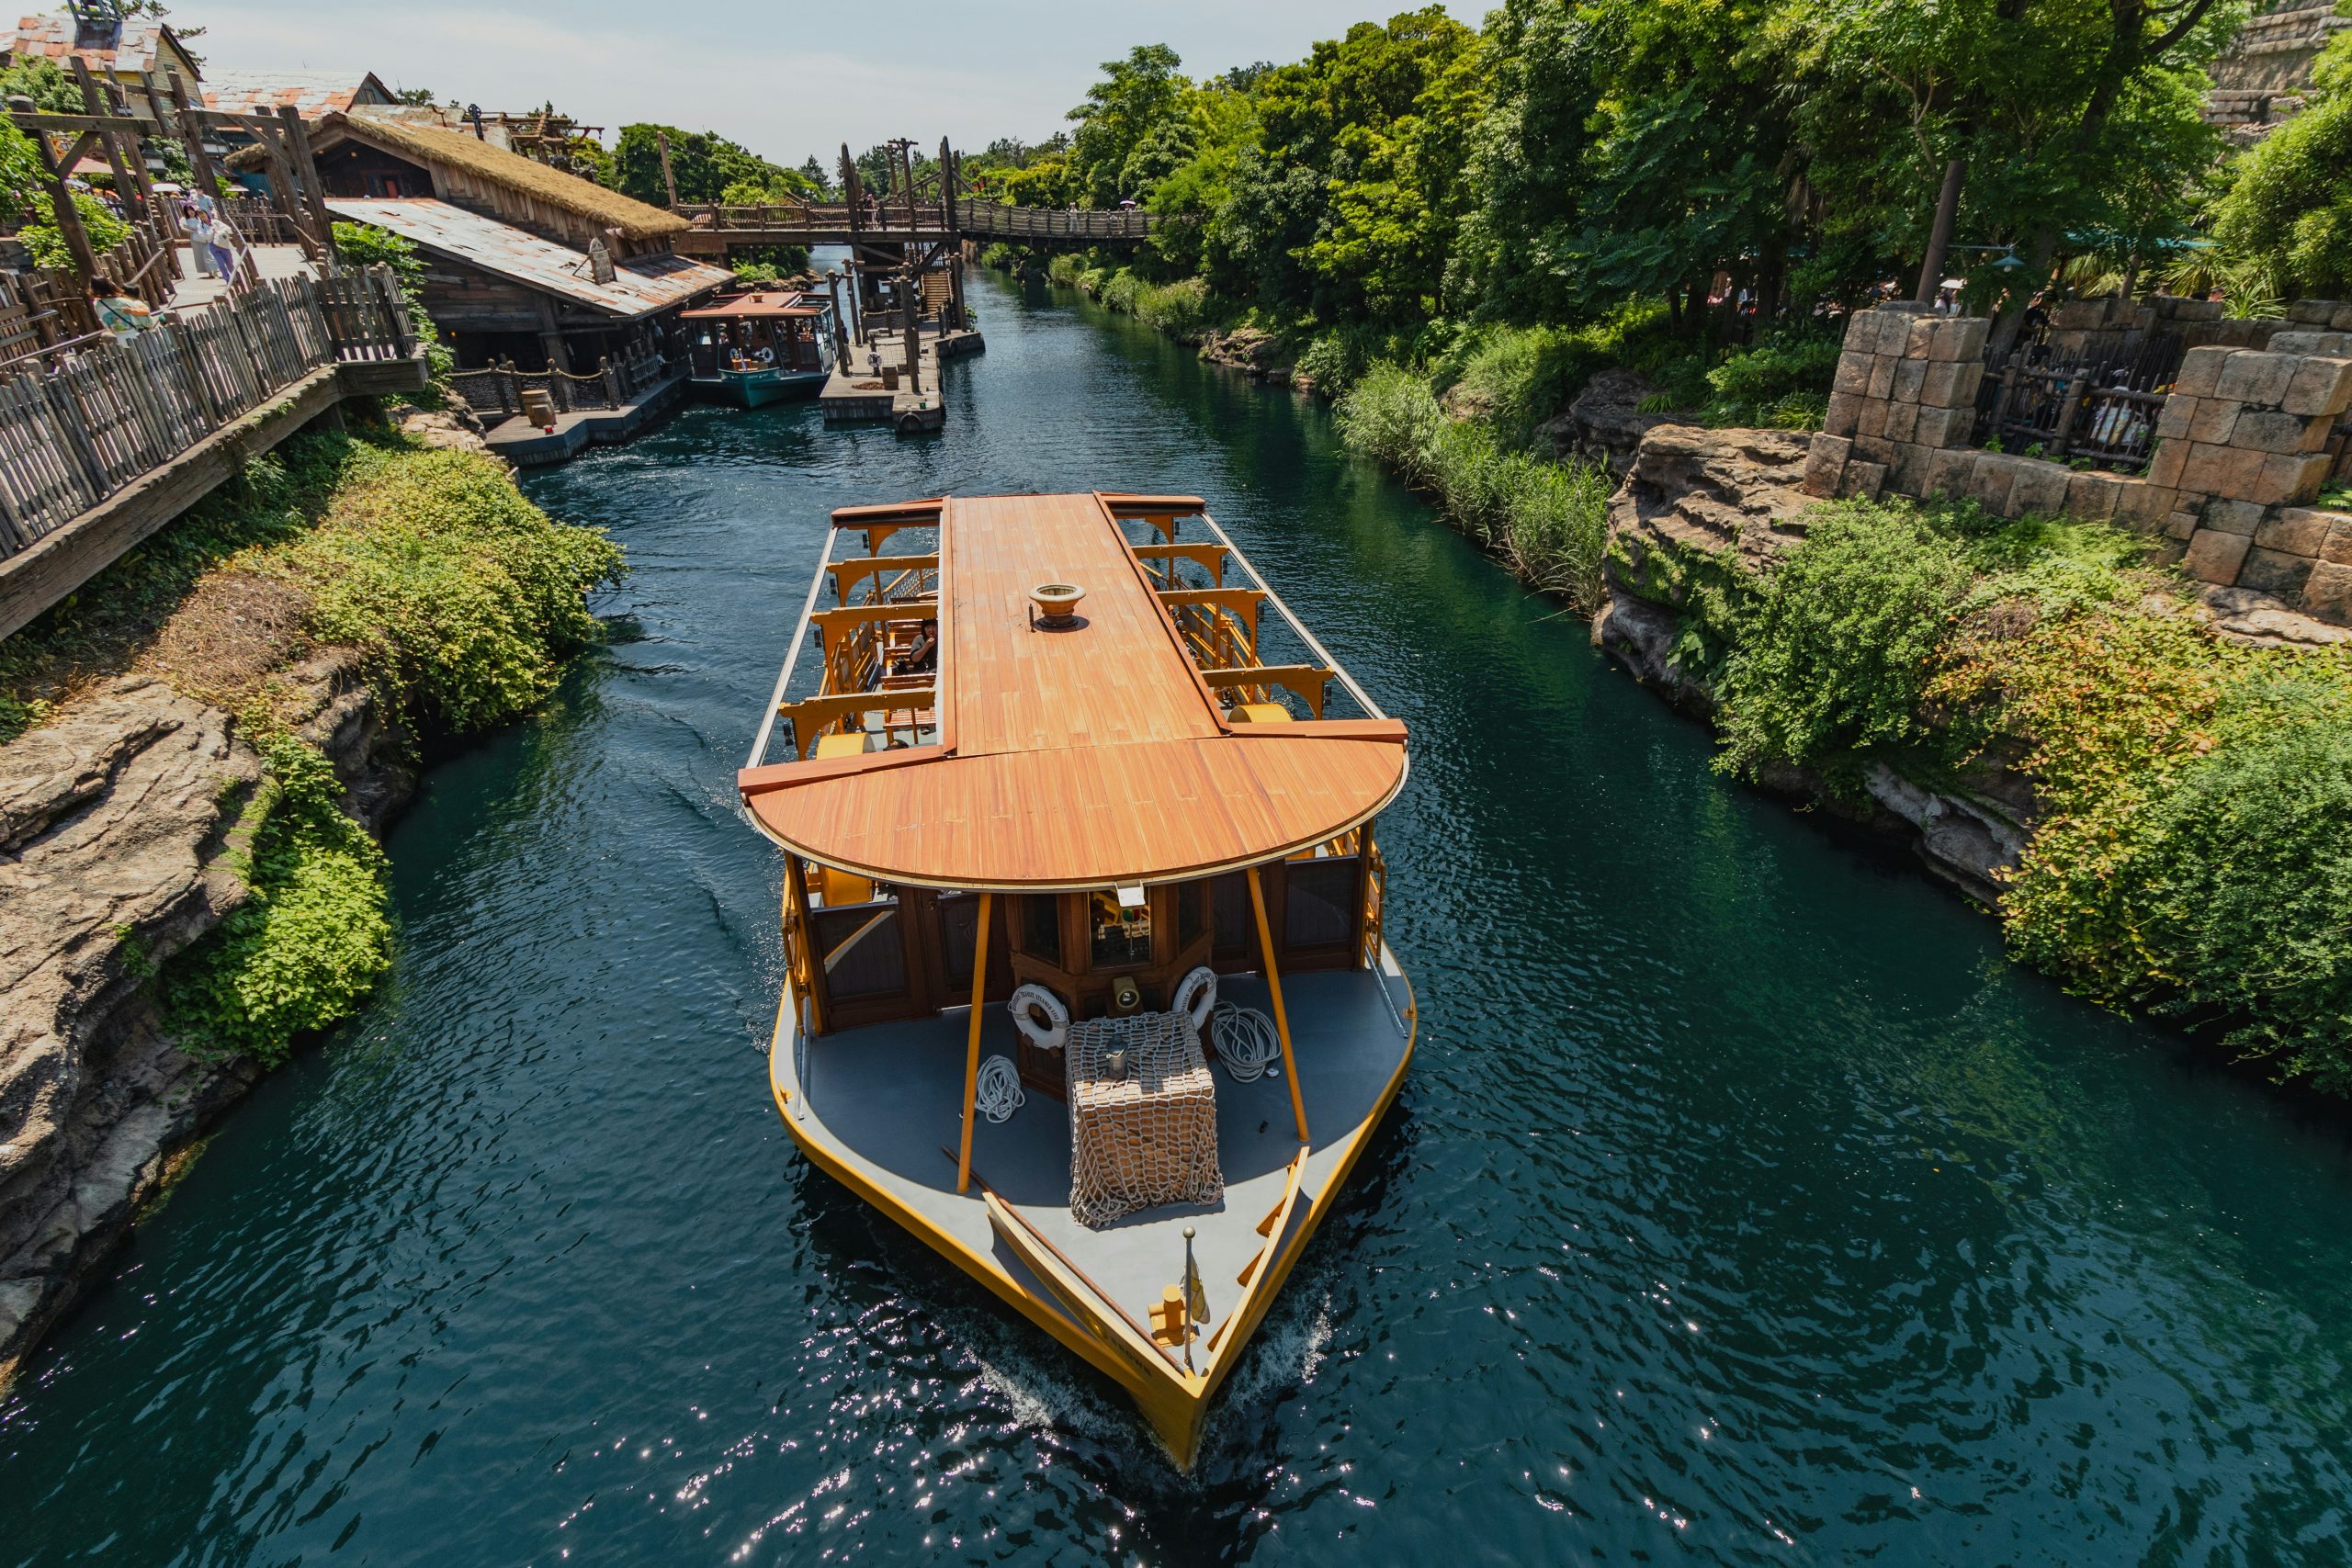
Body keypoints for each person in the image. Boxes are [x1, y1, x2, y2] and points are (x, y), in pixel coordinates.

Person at [92, 275, 155, 342]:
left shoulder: (97, 305)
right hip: (138, 337)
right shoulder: (126, 302)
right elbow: (145, 318)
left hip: (119, 340)